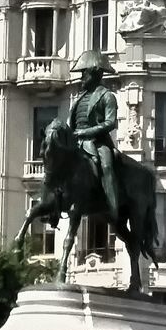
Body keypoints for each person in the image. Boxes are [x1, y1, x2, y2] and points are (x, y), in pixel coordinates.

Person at [69, 51, 119, 222]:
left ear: (95, 73)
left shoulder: (107, 96)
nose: (82, 77)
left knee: (106, 167)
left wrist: (86, 132)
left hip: (98, 142)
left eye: (84, 73)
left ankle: (112, 206)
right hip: (77, 143)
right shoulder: (79, 98)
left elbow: (110, 123)